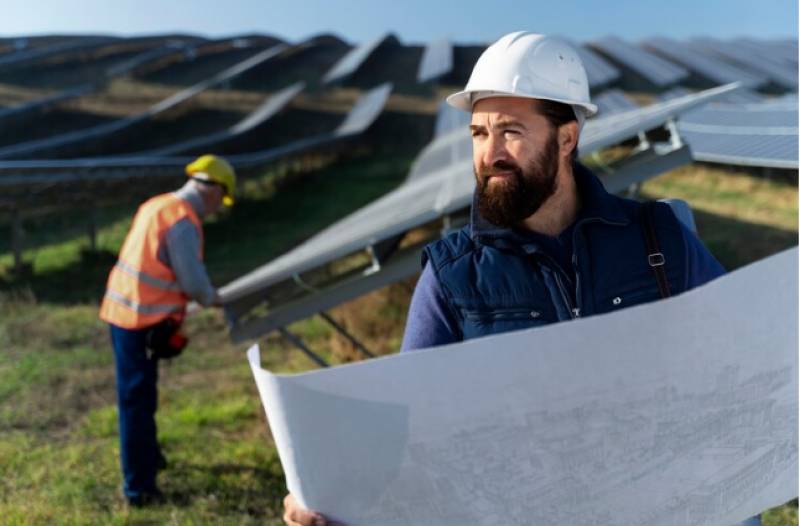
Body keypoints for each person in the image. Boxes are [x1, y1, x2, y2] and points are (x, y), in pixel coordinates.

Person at [282, 32, 757, 526]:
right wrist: (333, 506)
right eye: (478, 134)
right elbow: (410, 432)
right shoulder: (452, 276)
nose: (490, 154)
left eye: (510, 131)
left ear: (567, 137)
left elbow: (745, 353)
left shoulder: (659, 240)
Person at [99, 154, 235, 506]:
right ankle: (139, 488)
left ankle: (148, 458)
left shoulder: (157, 205)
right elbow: (193, 283)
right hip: (140, 321)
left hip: (123, 313)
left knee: (141, 397)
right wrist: (214, 299)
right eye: (223, 200)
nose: (219, 208)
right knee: (137, 404)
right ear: (215, 190)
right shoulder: (183, 221)